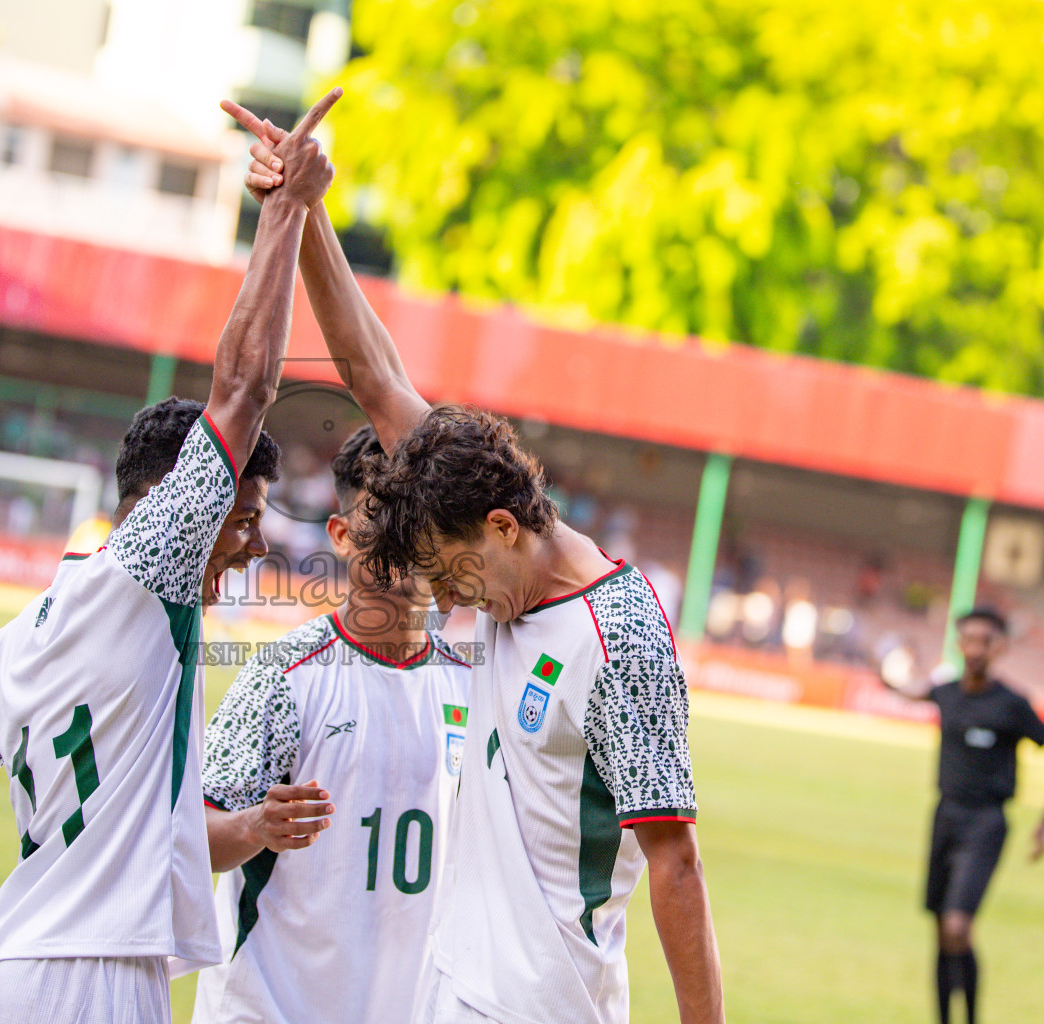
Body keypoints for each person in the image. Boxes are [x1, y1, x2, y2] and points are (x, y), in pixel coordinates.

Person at [229, 104, 723, 1024]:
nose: (447, 598)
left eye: (453, 575)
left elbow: (676, 861)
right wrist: (308, 207)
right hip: (447, 993)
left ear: (502, 526)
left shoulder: (620, 642)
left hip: (544, 1008)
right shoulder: (495, 557)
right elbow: (373, 378)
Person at [0, 86, 341, 1024]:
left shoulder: (30, 629)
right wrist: (287, 210)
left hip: (10, 968)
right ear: (179, 504)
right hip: (88, 975)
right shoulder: (152, 570)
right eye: (241, 519)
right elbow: (245, 385)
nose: (247, 551)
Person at [193, 425, 471, 1024]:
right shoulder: (284, 675)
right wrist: (254, 827)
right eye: (382, 520)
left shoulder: (476, 688)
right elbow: (188, 839)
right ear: (341, 536)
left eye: (417, 522)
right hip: (270, 1008)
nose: (402, 542)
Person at [883, 607, 1044, 1024]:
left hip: (986, 822)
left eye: (984, 641)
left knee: (956, 927)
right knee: (939, 930)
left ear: (999, 647)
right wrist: (882, 666)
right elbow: (908, 691)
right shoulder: (946, 692)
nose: (974, 649)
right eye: (967, 639)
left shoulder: (1012, 705)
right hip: (945, 816)